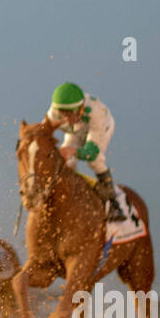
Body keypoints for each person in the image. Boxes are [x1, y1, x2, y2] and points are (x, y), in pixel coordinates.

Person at [46, 81, 121, 219]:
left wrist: (73, 151)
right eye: (63, 114)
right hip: (77, 129)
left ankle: (113, 203)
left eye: (70, 114)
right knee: (66, 163)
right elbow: (43, 132)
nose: (66, 119)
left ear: (81, 109)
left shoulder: (96, 113)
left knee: (95, 161)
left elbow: (91, 153)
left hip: (100, 128)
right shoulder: (53, 113)